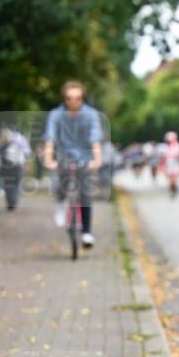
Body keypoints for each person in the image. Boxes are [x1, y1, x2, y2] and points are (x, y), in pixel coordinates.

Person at [42, 80, 103, 248]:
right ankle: (61, 204)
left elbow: (95, 138)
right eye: (69, 98)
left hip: (85, 157)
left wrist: (97, 159)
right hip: (64, 155)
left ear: (82, 98)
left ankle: (86, 233)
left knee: (85, 193)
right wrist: (48, 158)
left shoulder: (91, 115)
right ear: (64, 99)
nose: (73, 102)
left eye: (77, 98)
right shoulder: (55, 115)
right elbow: (50, 138)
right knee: (60, 180)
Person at [0, 127, 31, 211]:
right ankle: (13, 202)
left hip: (6, 168)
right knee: (16, 184)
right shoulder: (20, 140)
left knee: (8, 185)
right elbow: (26, 153)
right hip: (17, 166)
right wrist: (26, 164)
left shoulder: (1, 143)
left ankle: (10, 203)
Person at [159, 131, 179, 198]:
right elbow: (163, 158)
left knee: (174, 178)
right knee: (169, 179)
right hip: (168, 164)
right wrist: (161, 166)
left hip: (176, 163)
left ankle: (174, 188)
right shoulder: (165, 147)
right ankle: (171, 190)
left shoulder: (178, 146)